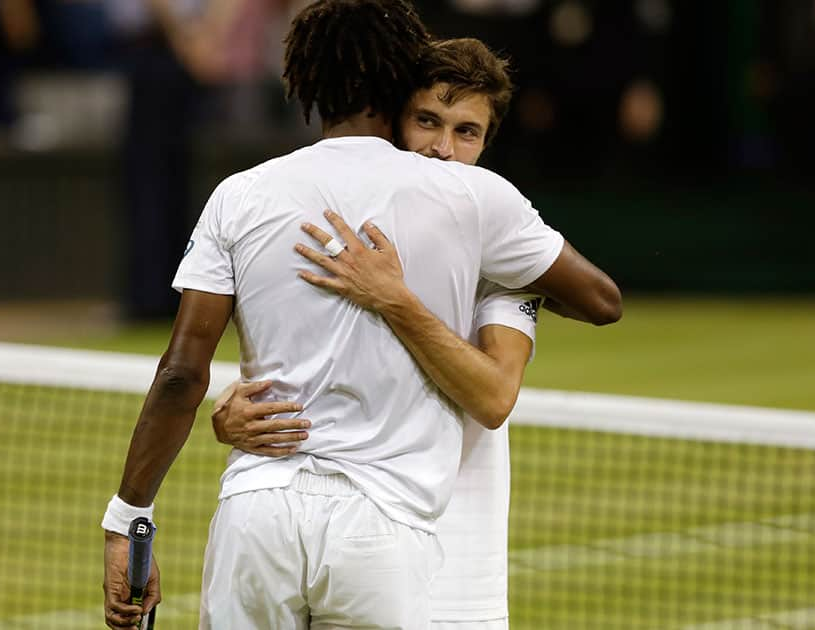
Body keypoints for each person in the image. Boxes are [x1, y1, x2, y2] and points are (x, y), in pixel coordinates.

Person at [101, 2, 621, 628]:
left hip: (257, 516)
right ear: (401, 78)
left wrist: (127, 518)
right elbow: (599, 301)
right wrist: (499, 275)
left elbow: (183, 374)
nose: (444, 145)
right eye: (430, 119)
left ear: (302, 80)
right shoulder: (472, 196)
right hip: (382, 531)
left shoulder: (238, 194)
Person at [210, 37, 575, 629]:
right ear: (394, 119)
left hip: (461, 574)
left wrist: (396, 298)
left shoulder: (500, 259)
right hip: (356, 541)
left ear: (488, 142)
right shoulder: (337, 233)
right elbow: (309, 361)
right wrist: (228, 409)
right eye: (427, 121)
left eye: (467, 133)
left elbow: (493, 397)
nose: (442, 149)